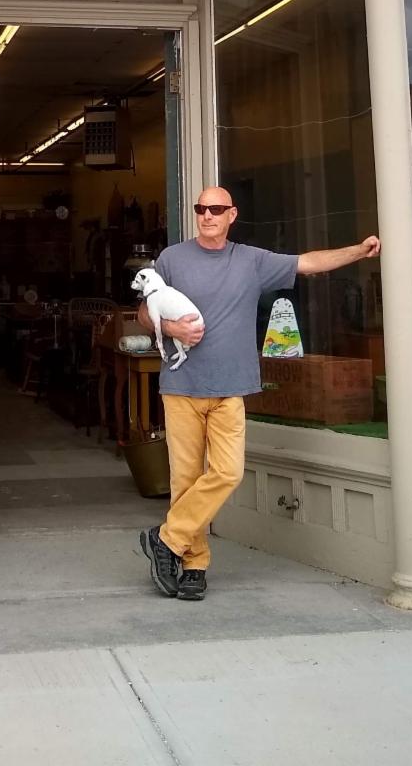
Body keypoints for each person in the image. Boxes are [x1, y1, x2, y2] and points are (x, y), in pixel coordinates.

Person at [137, 187, 381, 602]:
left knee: (228, 473)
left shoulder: (252, 261)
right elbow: (145, 311)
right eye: (201, 208)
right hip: (181, 386)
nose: (207, 215)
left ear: (231, 214)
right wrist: (173, 329)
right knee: (185, 481)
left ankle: (166, 538)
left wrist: (358, 251)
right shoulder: (172, 259)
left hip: (230, 388)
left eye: (216, 209)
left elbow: (308, 263)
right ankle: (193, 565)